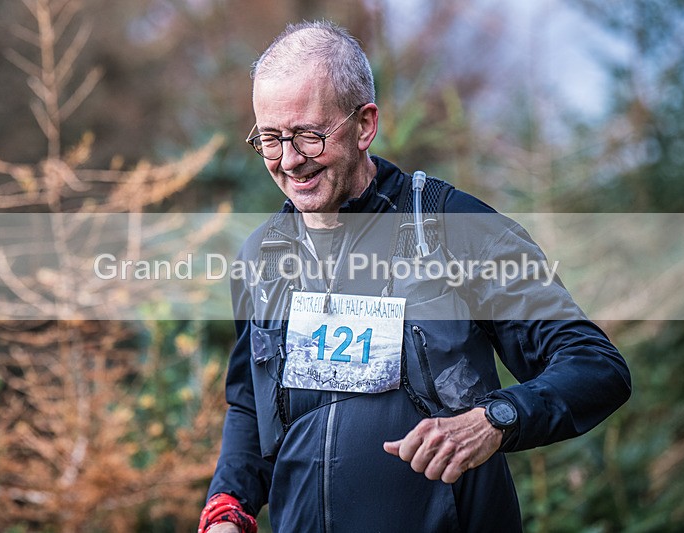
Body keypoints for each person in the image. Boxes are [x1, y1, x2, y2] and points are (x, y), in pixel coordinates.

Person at [199, 20, 631, 533]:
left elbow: (596, 366)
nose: (289, 160)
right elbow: (250, 405)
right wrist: (229, 504)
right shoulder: (262, 259)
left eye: (308, 137)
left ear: (364, 125)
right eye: (270, 139)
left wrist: (495, 420)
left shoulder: (455, 228)